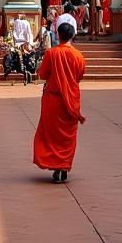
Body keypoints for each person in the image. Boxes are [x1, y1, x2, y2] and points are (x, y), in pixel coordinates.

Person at [33, 22, 87, 183]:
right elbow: (79, 75)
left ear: (57, 35)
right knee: (67, 136)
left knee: (51, 134)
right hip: (71, 99)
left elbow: (42, 74)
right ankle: (63, 166)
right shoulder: (79, 55)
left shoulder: (51, 53)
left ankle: (56, 167)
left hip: (53, 99)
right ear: (73, 35)